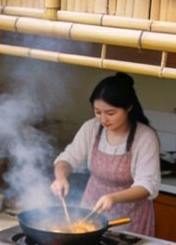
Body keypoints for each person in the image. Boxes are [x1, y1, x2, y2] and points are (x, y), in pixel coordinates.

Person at [50, 72, 162, 236]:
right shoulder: (91, 128)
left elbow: (147, 186)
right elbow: (68, 158)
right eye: (97, 112)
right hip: (91, 208)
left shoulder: (145, 137)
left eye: (110, 113)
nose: (103, 119)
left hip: (130, 216)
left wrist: (114, 198)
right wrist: (60, 177)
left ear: (128, 107)